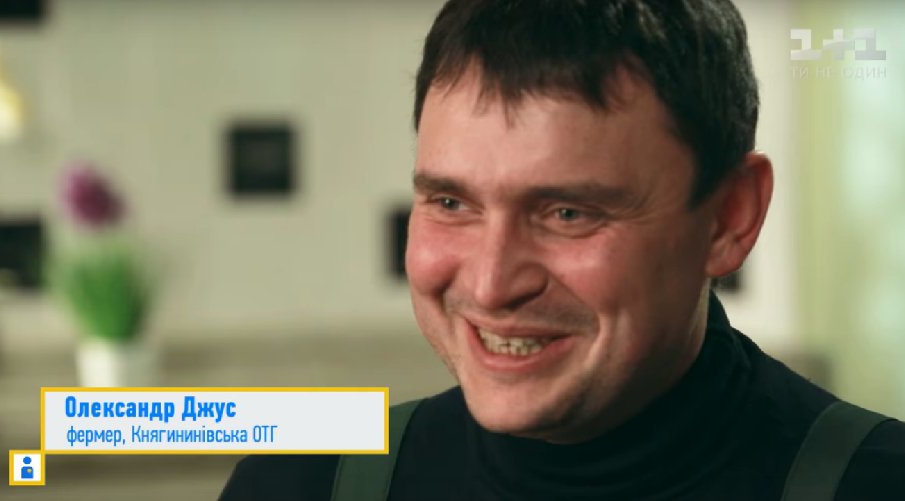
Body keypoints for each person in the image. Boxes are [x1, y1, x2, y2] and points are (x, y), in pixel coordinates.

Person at [220, 0, 905, 499]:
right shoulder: (298, 484)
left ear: (729, 218)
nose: (490, 285)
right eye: (451, 203)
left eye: (567, 213)